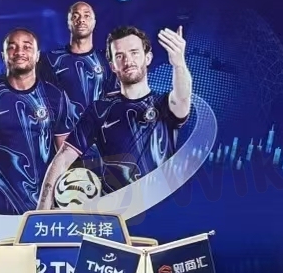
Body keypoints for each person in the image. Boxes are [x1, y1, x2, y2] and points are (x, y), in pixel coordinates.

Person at [37, 25, 191, 206]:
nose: (128, 60)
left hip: (161, 210)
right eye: (119, 56)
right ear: (112, 66)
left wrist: (179, 64)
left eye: (134, 52)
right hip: (117, 213)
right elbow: (64, 158)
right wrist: (41, 210)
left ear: (148, 58)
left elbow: (182, 97)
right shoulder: (99, 109)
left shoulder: (165, 105)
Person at [0, 28, 71, 214]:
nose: (19, 52)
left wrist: (51, 196)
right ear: (3, 55)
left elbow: (65, 155)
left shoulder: (55, 96)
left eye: (27, 47)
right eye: (12, 47)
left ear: (37, 56)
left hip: (43, 209)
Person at [41, 1, 111, 124]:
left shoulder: (106, 59)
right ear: (69, 23)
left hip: (99, 130)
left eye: (86, 16)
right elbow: (44, 99)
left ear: (94, 22)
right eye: (75, 16)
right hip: (63, 132)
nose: (81, 20)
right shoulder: (51, 59)